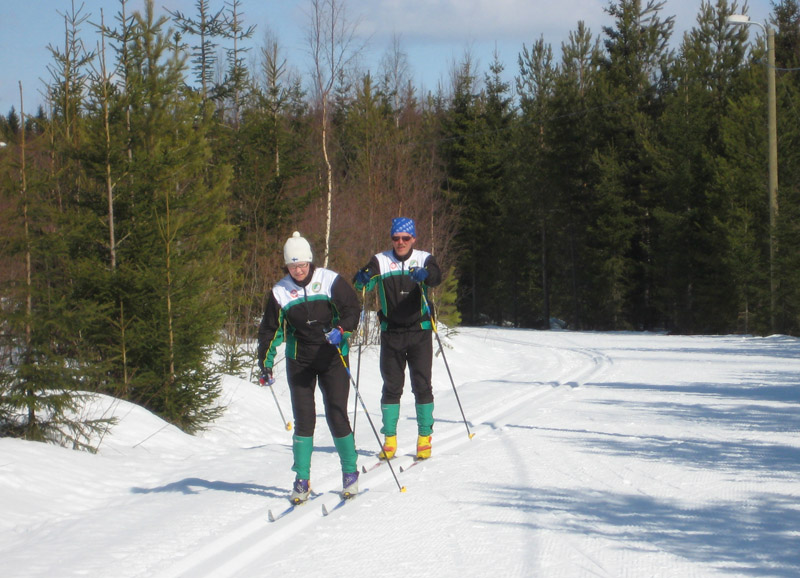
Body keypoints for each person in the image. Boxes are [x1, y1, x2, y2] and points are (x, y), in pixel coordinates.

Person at [257, 231, 361, 503]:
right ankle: (301, 480)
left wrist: (342, 330)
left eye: (302, 265)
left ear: (310, 262)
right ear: (286, 266)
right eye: (293, 266)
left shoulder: (329, 280)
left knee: (337, 413)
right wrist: (265, 364)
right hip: (299, 360)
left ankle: (350, 473)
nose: (299, 271)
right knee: (304, 420)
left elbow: (352, 308)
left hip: (332, 356)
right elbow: (270, 331)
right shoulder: (280, 291)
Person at [353, 217, 442, 461]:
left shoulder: (423, 257)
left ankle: (424, 438)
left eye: (405, 238)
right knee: (392, 387)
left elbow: (436, 276)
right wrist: (362, 277)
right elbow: (366, 277)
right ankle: (389, 440)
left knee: (422, 385)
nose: (400, 242)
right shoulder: (381, 260)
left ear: (413, 238)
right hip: (391, 333)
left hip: (419, 331)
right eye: (396, 238)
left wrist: (425, 274)